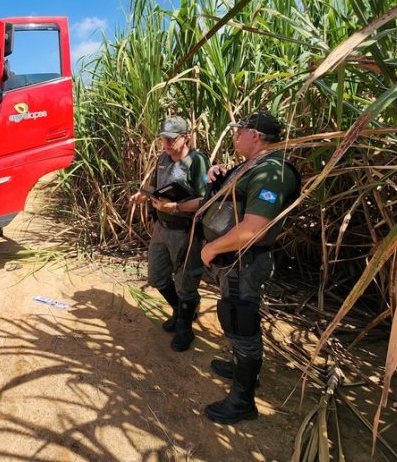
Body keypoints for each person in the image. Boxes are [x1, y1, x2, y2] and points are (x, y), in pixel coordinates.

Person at [198, 111, 300, 424]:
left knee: (242, 321)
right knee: (232, 316)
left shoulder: (273, 172)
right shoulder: (251, 165)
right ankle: (240, 367)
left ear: (254, 135)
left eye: (238, 132)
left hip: (246, 262)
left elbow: (253, 228)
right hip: (232, 263)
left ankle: (243, 400)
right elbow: (236, 196)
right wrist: (218, 174)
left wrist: (212, 247)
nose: (234, 137)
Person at [129, 116, 210, 352]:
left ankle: (185, 326)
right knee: (157, 276)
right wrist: (144, 196)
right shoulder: (163, 158)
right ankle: (180, 309)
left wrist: (175, 207)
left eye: (171, 139)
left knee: (186, 281)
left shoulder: (197, 161)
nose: (165, 143)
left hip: (186, 231)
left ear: (185, 137)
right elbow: (157, 187)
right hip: (162, 229)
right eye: (163, 138)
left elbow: (206, 200)